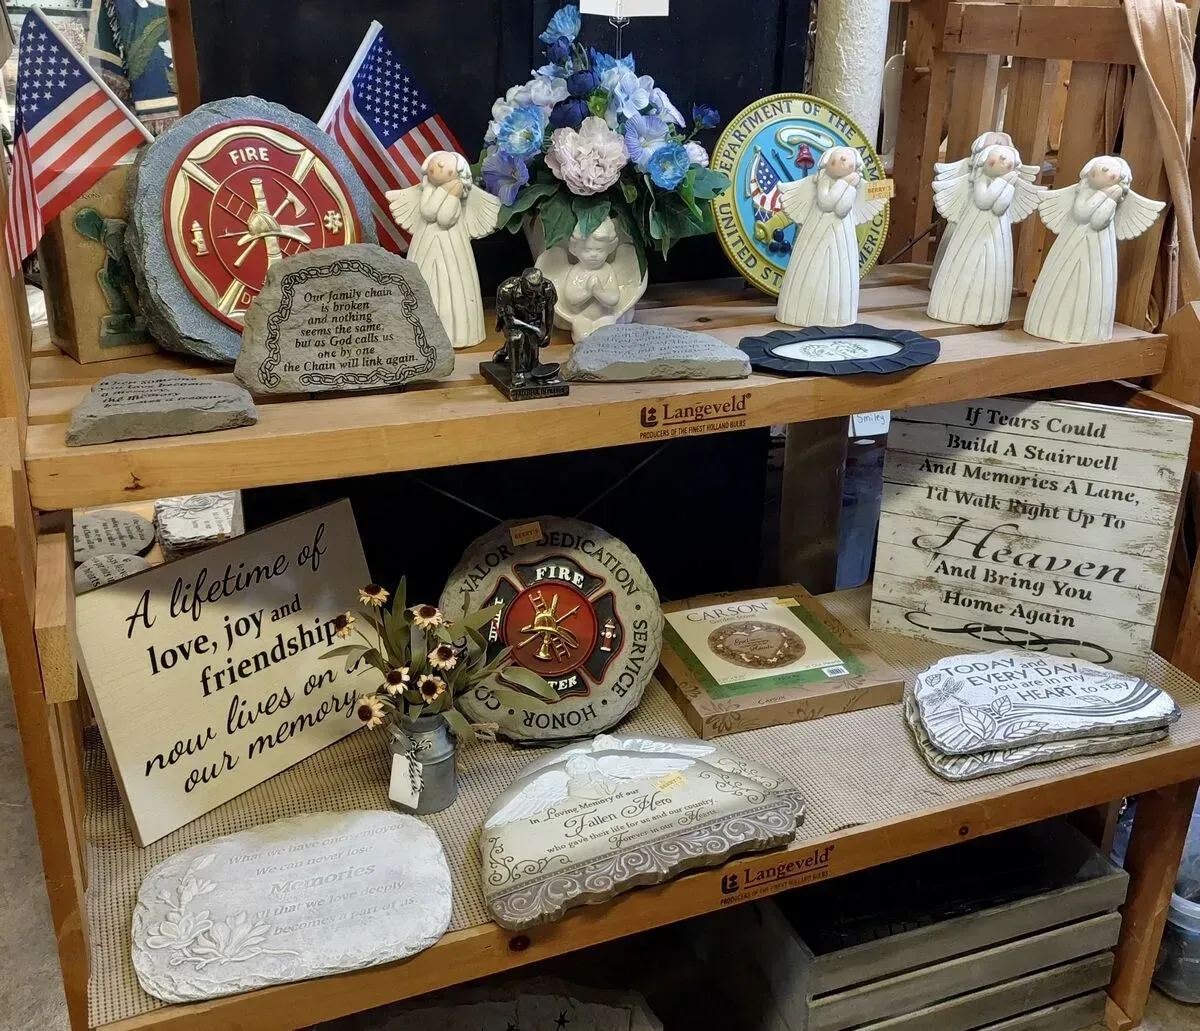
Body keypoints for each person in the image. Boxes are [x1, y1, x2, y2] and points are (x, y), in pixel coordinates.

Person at [387, 151, 501, 348]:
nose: (438, 166)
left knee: (453, 281)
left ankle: (457, 332)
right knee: (423, 278)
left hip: (452, 243)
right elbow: (429, 212)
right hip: (425, 242)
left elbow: (446, 218)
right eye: (434, 164)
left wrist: (452, 194)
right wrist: (446, 190)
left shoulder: (458, 194)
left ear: (458, 172)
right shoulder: (430, 189)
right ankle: (420, 332)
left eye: (444, 165)